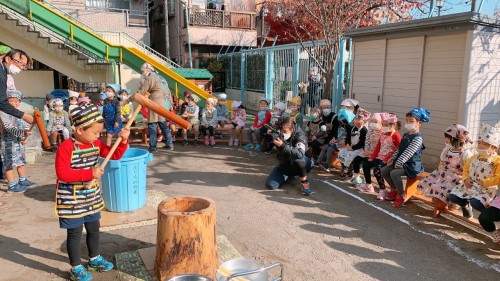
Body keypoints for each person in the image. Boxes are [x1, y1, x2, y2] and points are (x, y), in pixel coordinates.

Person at [55, 104, 130, 281]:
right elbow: (62, 174)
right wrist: (90, 173)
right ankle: (75, 267)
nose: (98, 136)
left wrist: (124, 140)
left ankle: (94, 258)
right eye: (95, 133)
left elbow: (114, 155)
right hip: (70, 198)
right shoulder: (65, 147)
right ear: (80, 129)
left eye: (99, 133)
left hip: (91, 196)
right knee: (74, 233)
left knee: (93, 228)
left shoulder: (95, 144)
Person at [417, 124, 473, 217]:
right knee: (430, 181)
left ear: (457, 140)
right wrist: (439, 170)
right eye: (446, 137)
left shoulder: (466, 153)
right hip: (444, 172)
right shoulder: (447, 149)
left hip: (457, 176)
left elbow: (470, 168)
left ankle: (453, 202)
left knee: (449, 187)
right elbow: (442, 162)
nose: (446, 140)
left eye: (448, 138)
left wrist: (463, 174)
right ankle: (438, 198)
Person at [448, 124, 500, 219]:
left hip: (486, 190)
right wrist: (465, 179)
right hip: (470, 186)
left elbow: (498, 177)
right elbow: (466, 170)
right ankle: (465, 206)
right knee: (452, 197)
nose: (481, 146)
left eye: (485, 144)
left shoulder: (497, 160)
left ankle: (487, 216)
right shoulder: (474, 157)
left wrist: (484, 182)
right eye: (479, 143)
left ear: (494, 147)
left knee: (476, 203)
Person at [381, 107, 430, 208]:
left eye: (411, 121)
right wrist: (392, 159)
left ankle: (401, 194)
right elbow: (399, 149)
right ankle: (394, 189)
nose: (408, 123)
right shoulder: (406, 135)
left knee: (394, 173)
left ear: (419, 123)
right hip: (401, 162)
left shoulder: (418, 138)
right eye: (407, 121)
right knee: (384, 170)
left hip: (412, 165)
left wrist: (398, 162)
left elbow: (408, 152)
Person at [265, 116, 313, 195]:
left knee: (298, 160)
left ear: (292, 128)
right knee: (271, 185)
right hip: (285, 164)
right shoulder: (278, 132)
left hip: (303, 162)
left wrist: (283, 145)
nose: (282, 133)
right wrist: (268, 137)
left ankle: (305, 183)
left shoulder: (299, 134)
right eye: (281, 130)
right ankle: (289, 176)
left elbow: (300, 154)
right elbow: (263, 148)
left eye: (285, 131)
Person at [0, 89, 36, 193]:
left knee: (20, 161)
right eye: (11, 100)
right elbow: (8, 127)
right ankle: (11, 184)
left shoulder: (19, 113)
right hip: (7, 143)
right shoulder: (3, 112)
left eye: (17, 101)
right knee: (9, 162)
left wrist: (25, 134)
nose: (14, 103)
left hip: (18, 142)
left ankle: (22, 179)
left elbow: (24, 125)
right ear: (6, 101)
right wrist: (22, 133)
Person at [360, 113, 402, 199]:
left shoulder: (396, 136)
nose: (384, 127)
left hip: (389, 161)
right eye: (383, 125)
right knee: (366, 164)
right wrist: (372, 157)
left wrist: (389, 159)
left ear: (393, 125)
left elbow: (399, 150)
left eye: (386, 125)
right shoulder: (383, 134)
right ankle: (368, 184)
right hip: (379, 157)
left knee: (377, 171)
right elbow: (378, 148)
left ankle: (382, 190)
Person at [138, 62, 174, 152]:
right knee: (163, 125)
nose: (143, 73)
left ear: (148, 70)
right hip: (165, 104)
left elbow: (142, 91)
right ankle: (170, 144)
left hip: (156, 104)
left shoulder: (150, 77)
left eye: (143, 71)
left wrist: (133, 97)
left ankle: (153, 147)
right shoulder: (161, 77)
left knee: (152, 126)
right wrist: (171, 104)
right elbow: (169, 92)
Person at [0, 49, 34, 124]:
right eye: (20, 63)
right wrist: (23, 115)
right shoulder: (1, 74)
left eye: (24, 66)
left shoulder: (4, 72)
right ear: (8, 59)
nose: (22, 68)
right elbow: (1, 102)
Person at [340, 108, 369, 181]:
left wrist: (352, 148)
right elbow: (348, 137)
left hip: (359, 149)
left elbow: (362, 142)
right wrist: (347, 144)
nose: (356, 121)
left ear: (364, 121)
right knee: (342, 153)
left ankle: (349, 173)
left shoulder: (364, 130)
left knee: (350, 156)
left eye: (359, 120)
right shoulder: (352, 128)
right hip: (351, 147)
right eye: (355, 119)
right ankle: (344, 171)